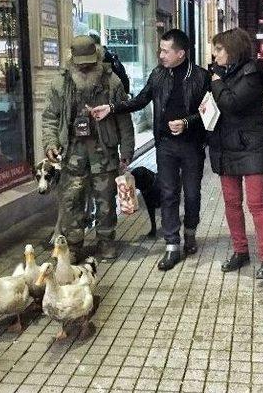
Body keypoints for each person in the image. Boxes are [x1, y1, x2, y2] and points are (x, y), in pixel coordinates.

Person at [90, 29, 210, 271]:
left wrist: (187, 122)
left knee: (193, 194)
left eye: (166, 51)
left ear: (181, 54)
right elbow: (141, 100)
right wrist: (111, 108)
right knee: (168, 193)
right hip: (165, 145)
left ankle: (190, 232)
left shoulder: (200, 76)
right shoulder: (158, 75)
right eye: (160, 50)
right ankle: (172, 245)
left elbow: (210, 112)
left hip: (192, 146)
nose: (161, 54)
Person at [42, 35, 135, 261]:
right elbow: (50, 118)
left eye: (89, 63)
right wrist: (50, 143)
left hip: (104, 151)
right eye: (80, 63)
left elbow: (124, 119)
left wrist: (126, 152)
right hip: (72, 152)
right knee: (71, 201)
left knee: (105, 200)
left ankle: (106, 242)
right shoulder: (60, 84)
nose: (85, 67)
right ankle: (73, 246)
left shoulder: (112, 82)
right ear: (72, 60)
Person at [205, 28, 263, 284]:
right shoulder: (223, 72)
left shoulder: (252, 72)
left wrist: (215, 81)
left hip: (252, 145)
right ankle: (240, 251)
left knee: (257, 204)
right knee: (231, 203)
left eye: (219, 49)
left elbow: (232, 103)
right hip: (225, 145)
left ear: (233, 49)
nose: (214, 55)